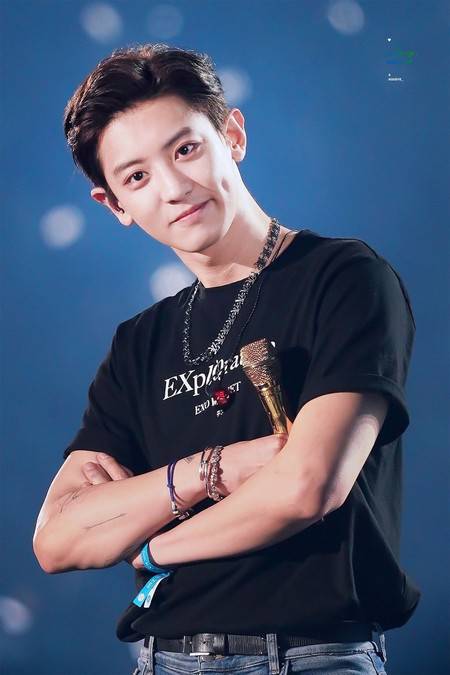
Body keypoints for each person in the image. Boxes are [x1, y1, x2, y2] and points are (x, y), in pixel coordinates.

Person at [33, 43, 421, 675]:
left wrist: (153, 548)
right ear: (115, 205)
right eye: (136, 177)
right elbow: (59, 539)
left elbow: (306, 489)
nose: (174, 187)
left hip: (310, 657)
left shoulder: (344, 278)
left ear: (232, 135)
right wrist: (213, 470)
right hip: (164, 660)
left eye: (185, 149)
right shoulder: (139, 343)